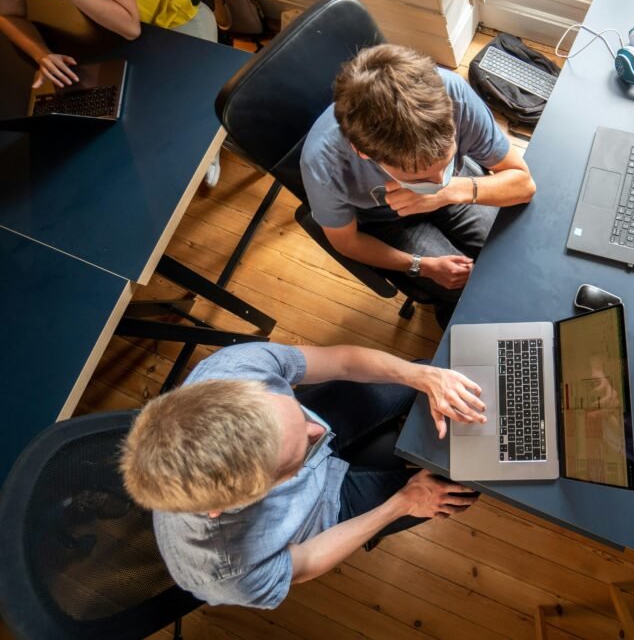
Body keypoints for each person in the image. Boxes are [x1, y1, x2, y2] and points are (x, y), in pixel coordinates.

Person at [119, 341, 486, 609]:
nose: (317, 431)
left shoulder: (234, 368)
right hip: (324, 508)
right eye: (293, 459)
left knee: (430, 374)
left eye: (293, 408)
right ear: (245, 499)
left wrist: (419, 374)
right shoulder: (227, 573)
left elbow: (341, 362)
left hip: (287, 445)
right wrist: (403, 503)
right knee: (462, 485)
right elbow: (306, 563)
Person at [300, 44, 537, 321]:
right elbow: (347, 243)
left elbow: (523, 184)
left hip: (460, 189)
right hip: (386, 221)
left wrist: (448, 190)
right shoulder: (323, 164)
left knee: (513, 250)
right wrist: (422, 266)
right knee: (465, 290)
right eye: (421, 178)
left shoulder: (451, 94)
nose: (437, 180)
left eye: (446, 162)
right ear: (363, 153)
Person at [0, 0, 221, 182]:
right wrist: (41, 53)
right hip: (104, 29)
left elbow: (129, 26)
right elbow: (8, 13)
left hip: (170, 20)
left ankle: (210, 146)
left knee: (195, 130)